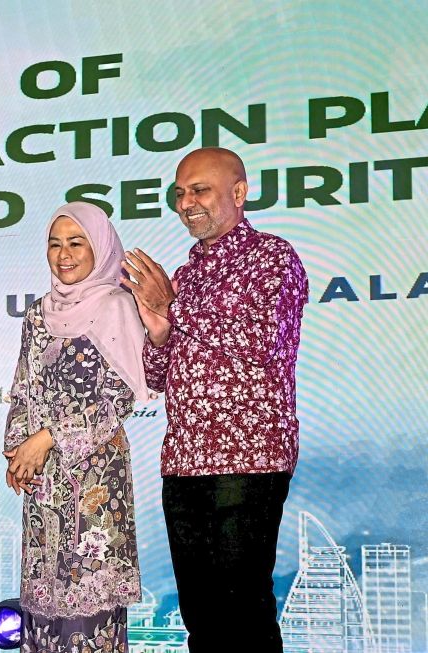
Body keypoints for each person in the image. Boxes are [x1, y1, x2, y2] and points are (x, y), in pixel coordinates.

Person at [120, 147, 308, 652]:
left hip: (247, 460)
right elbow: (160, 375)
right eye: (179, 193)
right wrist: (159, 330)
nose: (186, 203)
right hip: (183, 464)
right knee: (200, 614)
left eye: (199, 189)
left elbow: (259, 342)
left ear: (239, 193)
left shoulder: (272, 257)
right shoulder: (182, 276)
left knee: (242, 608)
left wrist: (172, 308)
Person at [4, 202, 149, 652]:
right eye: (55, 244)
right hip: (44, 486)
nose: (64, 255)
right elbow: (23, 387)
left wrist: (44, 441)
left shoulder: (118, 306)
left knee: (89, 614)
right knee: (45, 615)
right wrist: (18, 454)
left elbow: (117, 399)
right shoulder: (36, 314)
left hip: (94, 483)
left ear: (100, 248)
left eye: (76, 243)